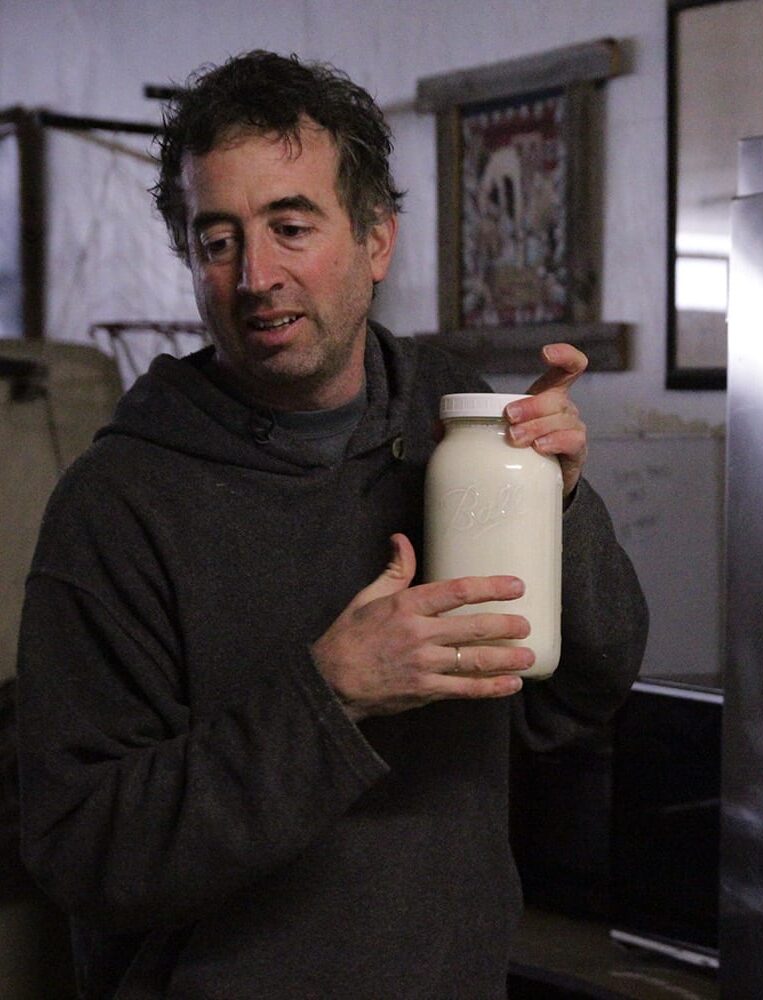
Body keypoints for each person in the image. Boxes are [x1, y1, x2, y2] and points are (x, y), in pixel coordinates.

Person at [15, 50, 647, 999]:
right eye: (217, 239)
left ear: (376, 240)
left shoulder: (451, 420)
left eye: (291, 227)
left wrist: (558, 504)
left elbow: (577, 698)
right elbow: (82, 851)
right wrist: (331, 697)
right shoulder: (117, 503)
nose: (255, 275)